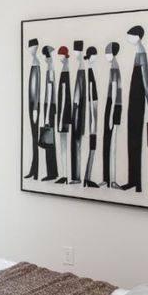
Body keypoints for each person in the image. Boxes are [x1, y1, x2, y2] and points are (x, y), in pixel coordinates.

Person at [121, 25, 148, 193]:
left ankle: (137, 183)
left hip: (138, 105)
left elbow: (147, 84)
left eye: (130, 35)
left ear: (137, 36)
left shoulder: (142, 54)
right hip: (134, 104)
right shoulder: (138, 53)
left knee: (135, 141)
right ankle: (132, 180)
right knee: (131, 141)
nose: (128, 38)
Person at [102, 42, 123, 188]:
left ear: (112, 53)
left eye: (107, 52)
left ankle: (112, 179)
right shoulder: (113, 66)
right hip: (112, 105)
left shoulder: (114, 67)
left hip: (114, 106)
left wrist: (110, 115)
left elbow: (115, 91)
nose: (106, 55)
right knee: (107, 142)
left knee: (112, 143)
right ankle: (107, 179)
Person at [82, 46, 100, 188]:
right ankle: (87, 178)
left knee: (93, 145)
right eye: (95, 55)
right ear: (91, 56)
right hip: (92, 114)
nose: (96, 58)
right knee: (93, 144)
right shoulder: (88, 71)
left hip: (93, 110)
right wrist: (93, 120)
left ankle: (88, 177)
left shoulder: (91, 70)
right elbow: (89, 95)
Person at [40, 46, 58, 181]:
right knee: (50, 141)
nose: (45, 59)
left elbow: (50, 89)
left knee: (49, 141)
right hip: (50, 106)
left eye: (45, 56)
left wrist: (46, 115)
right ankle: (53, 172)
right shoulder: (50, 68)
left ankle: (51, 172)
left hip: (49, 106)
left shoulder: (50, 69)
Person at [55, 45, 72, 185]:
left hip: (63, 115)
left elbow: (65, 96)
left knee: (63, 143)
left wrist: (60, 118)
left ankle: (65, 175)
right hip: (63, 114)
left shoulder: (65, 71)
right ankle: (65, 174)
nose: (59, 57)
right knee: (63, 144)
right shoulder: (65, 70)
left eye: (60, 55)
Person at [70, 41, 86, 186]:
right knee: (76, 146)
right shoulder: (81, 68)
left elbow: (78, 96)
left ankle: (77, 176)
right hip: (77, 114)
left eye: (75, 51)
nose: (74, 53)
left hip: (77, 115)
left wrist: (74, 111)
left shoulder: (81, 69)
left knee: (77, 146)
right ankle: (76, 176)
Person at [25, 38, 41, 180]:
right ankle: (33, 168)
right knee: (33, 138)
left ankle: (35, 169)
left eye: (31, 46)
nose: (30, 49)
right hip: (31, 105)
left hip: (33, 106)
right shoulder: (34, 61)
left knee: (35, 138)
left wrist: (35, 108)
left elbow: (36, 90)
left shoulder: (36, 63)